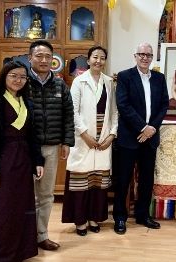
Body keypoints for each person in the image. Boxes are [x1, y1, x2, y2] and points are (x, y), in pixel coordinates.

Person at [0, 61, 45, 262]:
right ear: (4, 76)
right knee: (0, 210)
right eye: (14, 75)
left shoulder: (27, 103)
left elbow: (33, 136)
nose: (18, 80)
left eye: (22, 77)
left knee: (20, 208)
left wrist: (38, 161)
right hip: (2, 161)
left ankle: (18, 253)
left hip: (23, 161)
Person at [61, 46, 118, 236]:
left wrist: (111, 135)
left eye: (102, 58)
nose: (98, 61)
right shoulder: (79, 82)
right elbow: (73, 111)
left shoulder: (109, 82)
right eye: (95, 57)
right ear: (88, 59)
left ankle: (95, 218)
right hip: (83, 139)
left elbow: (115, 112)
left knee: (97, 183)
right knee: (81, 182)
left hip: (103, 138)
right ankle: (80, 221)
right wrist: (84, 134)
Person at [113, 42, 169, 234]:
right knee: (123, 179)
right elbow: (123, 105)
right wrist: (143, 127)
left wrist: (152, 127)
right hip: (130, 137)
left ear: (152, 57)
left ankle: (142, 215)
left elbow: (163, 105)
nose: (145, 58)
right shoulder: (125, 76)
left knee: (146, 179)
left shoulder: (159, 78)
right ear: (135, 56)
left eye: (148, 55)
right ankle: (120, 217)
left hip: (150, 138)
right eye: (141, 54)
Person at [28, 40, 75, 250]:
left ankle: (41, 235)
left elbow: (68, 115)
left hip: (51, 147)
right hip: (26, 148)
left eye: (48, 56)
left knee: (46, 194)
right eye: (39, 56)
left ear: (53, 59)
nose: (44, 60)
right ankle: (23, 237)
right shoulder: (21, 81)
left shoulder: (60, 85)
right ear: (30, 58)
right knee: (24, 193)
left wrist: (67, 141)